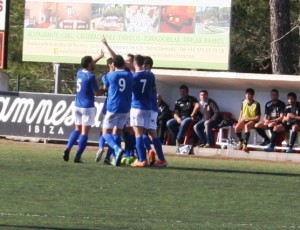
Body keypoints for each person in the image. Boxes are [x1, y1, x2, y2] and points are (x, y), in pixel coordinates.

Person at [63, 51, 104, 163]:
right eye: (92, 62)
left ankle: (68, 148)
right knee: (84, 133)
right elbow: (96, 93)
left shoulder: (79, 72)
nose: (94, 63)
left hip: (77, 106)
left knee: (77, 129)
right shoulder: (90, 77)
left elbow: (88, 64)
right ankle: (77, 156)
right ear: (90, 64)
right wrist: (105, 89)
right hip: (87, 107)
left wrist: (99, 57)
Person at [102, 55, 133, 166]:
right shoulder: (129, 75)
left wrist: (111, 70)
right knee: (118, 132)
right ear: (123, 64)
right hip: (125, 108)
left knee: (106, 132)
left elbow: (105, 86)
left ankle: (117, 149)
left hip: (113, 107)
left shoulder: (111, 75)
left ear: (114, 64)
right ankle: (115, 157)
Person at [142, 56, 168, 167]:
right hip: (152, 108)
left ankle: (149, 151)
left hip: (147, 108)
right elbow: (154, 91)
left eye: (143, 64)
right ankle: (161, 159)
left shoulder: (146, 75)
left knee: (140, 132)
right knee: (151, 133)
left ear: (147, 65)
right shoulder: (151, 77)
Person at [130, 54, 155, 167]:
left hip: (137, 107)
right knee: (144, 133)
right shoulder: (150, 76)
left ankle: (142, 159)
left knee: (138, 134)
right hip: (148, 108)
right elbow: (154, 89)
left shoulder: (133, 77)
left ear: (135, 63)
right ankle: (149, 150)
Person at [95, 57, 115, 164]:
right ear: (110, 64)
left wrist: (99, 91)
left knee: (105, 131)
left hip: (109, 105)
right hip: (115, 106)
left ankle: (102, 148)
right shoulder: (117, 75)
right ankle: (107, 156)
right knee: (112, 133)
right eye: (113, 63)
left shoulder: (106, 77)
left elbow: (105, 88)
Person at [235, 88, 261, 152]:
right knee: (236, 128)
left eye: (249, 94)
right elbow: (241, 111)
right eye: (246, 94)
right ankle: (241, 141)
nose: (247, 96)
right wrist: (239, 119)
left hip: (253, 120)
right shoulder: (243, 102)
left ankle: (245, 145)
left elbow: (257, 118)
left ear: (252, 95)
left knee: (247, 126)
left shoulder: (257, 104)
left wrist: (248, 118)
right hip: (244, 120)